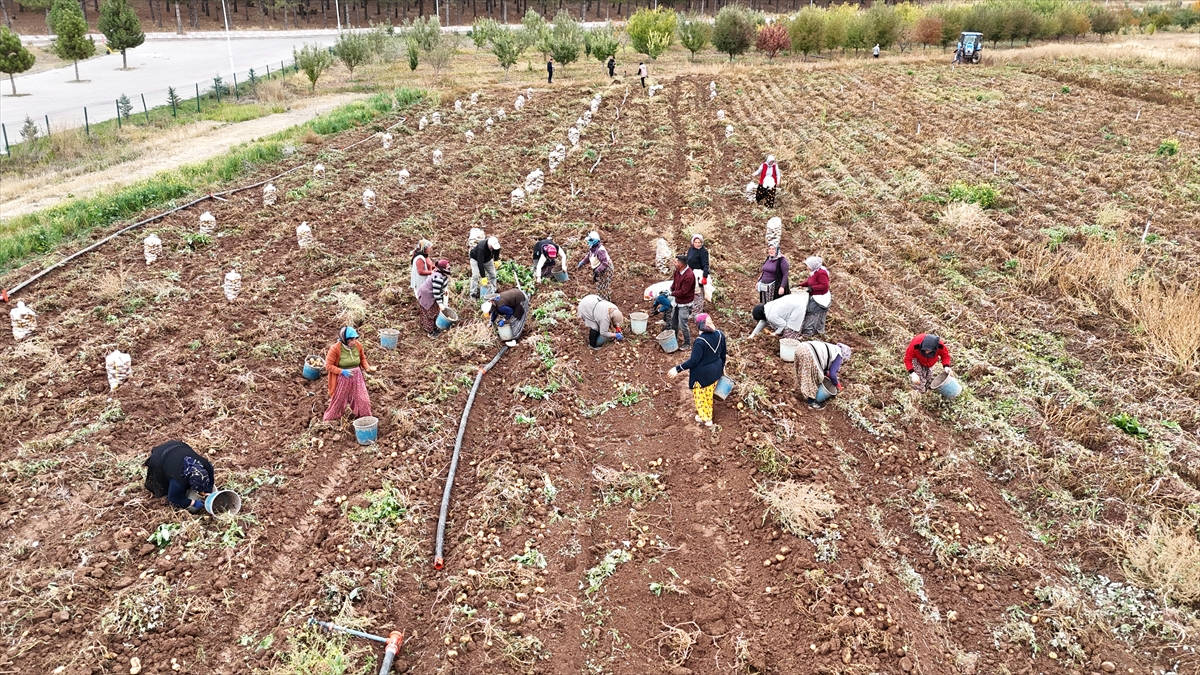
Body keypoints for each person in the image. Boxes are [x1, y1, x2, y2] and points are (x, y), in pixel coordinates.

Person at [666, 313, 727, 427]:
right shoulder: (720, 334)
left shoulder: (700, 341)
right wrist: (722, 367)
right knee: (709, 393)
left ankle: (707, 419)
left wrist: (677, 369)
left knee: (701, 398)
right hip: (716, 371)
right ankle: (708, 413)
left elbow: (694, 361)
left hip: (703, 375)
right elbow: (723, 354)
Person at [144, 440, 214, 512]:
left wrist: (208, 491)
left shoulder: (207, 466)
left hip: (179, 448)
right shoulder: (178, 480)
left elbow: (211, 479)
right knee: (165, 486)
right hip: (159, 457)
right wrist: (193, 503)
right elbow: (173, 498)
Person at [324, 326, 375, 421]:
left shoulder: (358, 345)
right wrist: (342, 371)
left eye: (355, 339)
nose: (354, 341)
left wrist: (367, 367)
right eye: (351, 339)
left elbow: (362, 358)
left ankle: (365, 419)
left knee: (363, 399)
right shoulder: (335, 349)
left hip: (357, 376)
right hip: (342, 377)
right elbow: (328, 365)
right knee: (338, 401)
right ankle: (330, 420)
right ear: (344, 339)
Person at [794, 341, 851, 410]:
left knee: (803, 372)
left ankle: (799, 391)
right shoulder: (839, 355)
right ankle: (811, 402)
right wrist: (837, 384)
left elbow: (825, 368)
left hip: (801, 347)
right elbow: (833, 374)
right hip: (808, 353)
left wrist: (826, 374)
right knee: (812, 377)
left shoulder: (833, 349)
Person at [797, 256, 831, 337]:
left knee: (812, 313)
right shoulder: (814, 272)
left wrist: (812, 288)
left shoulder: (821, 273)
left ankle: (808, 334)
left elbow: (825, 285)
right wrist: (800, 285)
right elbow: (809, 282)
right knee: (817, 315)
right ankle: (818, 333)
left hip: (821, 298)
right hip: (816, 296)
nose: (807, 267)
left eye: (808, 265)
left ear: (813, 265)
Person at [576, 230, 614, 301]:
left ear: (594, 241)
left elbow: (605, 262)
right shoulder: (593, 249)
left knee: (602, 286)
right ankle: (605, 299)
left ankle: (604, 302)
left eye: (590, 240)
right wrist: (582, 262)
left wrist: (598, 271)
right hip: (600, 269)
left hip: (606, 269)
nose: (588, 242)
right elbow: (588, 256)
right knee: (600, 286)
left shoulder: (600, 251)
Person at [418, 259, 452, 336]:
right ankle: (430, 331)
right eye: (447, 266)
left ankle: (434, 327)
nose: (449, 267)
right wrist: (440, 304)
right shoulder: (438, 277)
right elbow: (436, 292)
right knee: (429, 313)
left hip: (432, 295)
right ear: (443, 268)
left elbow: (442, 285)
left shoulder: (443, 274)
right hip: (426, 295)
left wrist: (444, 289)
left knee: (435, 311)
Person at [668, 255, 696, 348]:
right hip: (677, 301)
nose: (674, 263)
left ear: (680, 264)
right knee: (673, 321)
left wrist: (672, 294)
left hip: (685, 303)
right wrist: (670, 289)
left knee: (682, 324)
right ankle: (673, 339)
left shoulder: (689, 276)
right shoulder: (677, 271)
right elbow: (675, 282)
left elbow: (684, 292)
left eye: (676, 262)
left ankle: (687, 343)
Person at [686, 233, 711, 312]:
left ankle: (698, 311)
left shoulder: (703, 252)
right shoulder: (691, 249)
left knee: (698, 293)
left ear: (702, 242)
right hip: (690, 273)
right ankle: (690, 308)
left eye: (699, 242)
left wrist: (705, 276)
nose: (697, 244)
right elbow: (687, 260)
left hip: (698, 276)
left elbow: (705, 264)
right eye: (696, 242)